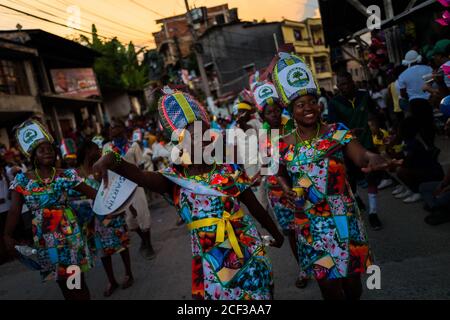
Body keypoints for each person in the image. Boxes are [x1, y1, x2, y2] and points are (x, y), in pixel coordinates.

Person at [93, 87, 284, 300]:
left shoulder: (227, 169)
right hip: (211, 261)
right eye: (194, 137)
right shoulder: (173, 180)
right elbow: (138, 175)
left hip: (248, 249)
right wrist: (111, 160)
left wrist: (276, 235)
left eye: (206, 133)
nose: (203, 140)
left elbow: (254, 207)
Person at [272, 52, 399, 300]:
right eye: (300, 104)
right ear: (291, 110)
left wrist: (375, 159)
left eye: (312, 102)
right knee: (330, 290)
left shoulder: (336, 132)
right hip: (311, 223)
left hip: (344, 218)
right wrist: (286, 187)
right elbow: (278, 173)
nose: (308, 108)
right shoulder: (283, 144)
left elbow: (361, 155)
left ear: (320, 104)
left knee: (353, 287)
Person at [3, 120, 97, 300]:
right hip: (45, 241)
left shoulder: (65, 175)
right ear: (33, 156)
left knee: (76, 283)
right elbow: (14, 211)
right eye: (41, 150)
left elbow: (94, 194)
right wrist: (7, 235)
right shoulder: (23, 180)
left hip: (69, 237)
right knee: (62, 282)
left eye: (50, 149)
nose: (47, 152)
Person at [253, 80, 308, 289]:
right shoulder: (263, 136)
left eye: (277, 110)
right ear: (262, 117)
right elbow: (269, 165)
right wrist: (261, 174)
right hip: (278, 192)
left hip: (301, 184)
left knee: (308, 228)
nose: (274, 115)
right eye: (269, 113)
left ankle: (320, 262)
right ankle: (303, 269)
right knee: (291, 232)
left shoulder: (293, 125)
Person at [328, 71, 383, 230]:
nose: (345, 87)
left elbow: (374, 113)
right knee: (351, 181)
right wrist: (349, 133)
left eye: (347, 83)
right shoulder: (334, 103)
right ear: (338, 87)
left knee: (371, 176)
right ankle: (356, 197)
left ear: (353, 82)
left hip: (367, 143)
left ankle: (373, 213)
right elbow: (333, 130)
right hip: (348, 148)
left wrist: (375, 124)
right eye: (341, 85)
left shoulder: (364, 96)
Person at [77, 141, 133, 297]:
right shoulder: (78, 174)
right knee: (103, 252)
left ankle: (129, 273)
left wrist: (125, 207)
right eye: (96, 148)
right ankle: (112, 280)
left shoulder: (103, 166)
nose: (99, 150)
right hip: (93, 220)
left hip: (112, 214)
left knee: (121, 245)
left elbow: (117, 186)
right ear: (88, 151)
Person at [103, 119, 155, 260]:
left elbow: (141, 165)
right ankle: (143, 240)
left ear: (123, 129)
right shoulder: (107, 148)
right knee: (130, 219)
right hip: (120, 188)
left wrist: (141, 181)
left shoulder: (133, 146)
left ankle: (148, 244)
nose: (114, 130)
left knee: (142, 214)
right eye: (112, 128)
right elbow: (105, 169)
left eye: (117, 126)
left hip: (136, 185)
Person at [394, 117, 444, 203]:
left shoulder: (413, 144)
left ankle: (416, 191)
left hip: (431, 173)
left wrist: (393, 162)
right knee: (399, 168)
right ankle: (411, 188)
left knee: (400, 171)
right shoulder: (408, 141)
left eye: (398, 129)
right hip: (425, 169)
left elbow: (407, 162)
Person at [398, 50, 437, 154]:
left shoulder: (403, 75)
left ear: (406, 61)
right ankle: (432, 144)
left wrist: (411, 95)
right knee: (429, 123)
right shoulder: (428, 69)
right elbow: (434, 83)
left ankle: (429, 146)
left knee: (420, 125)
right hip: (429, 100)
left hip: (414, 103)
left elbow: (402, 93)